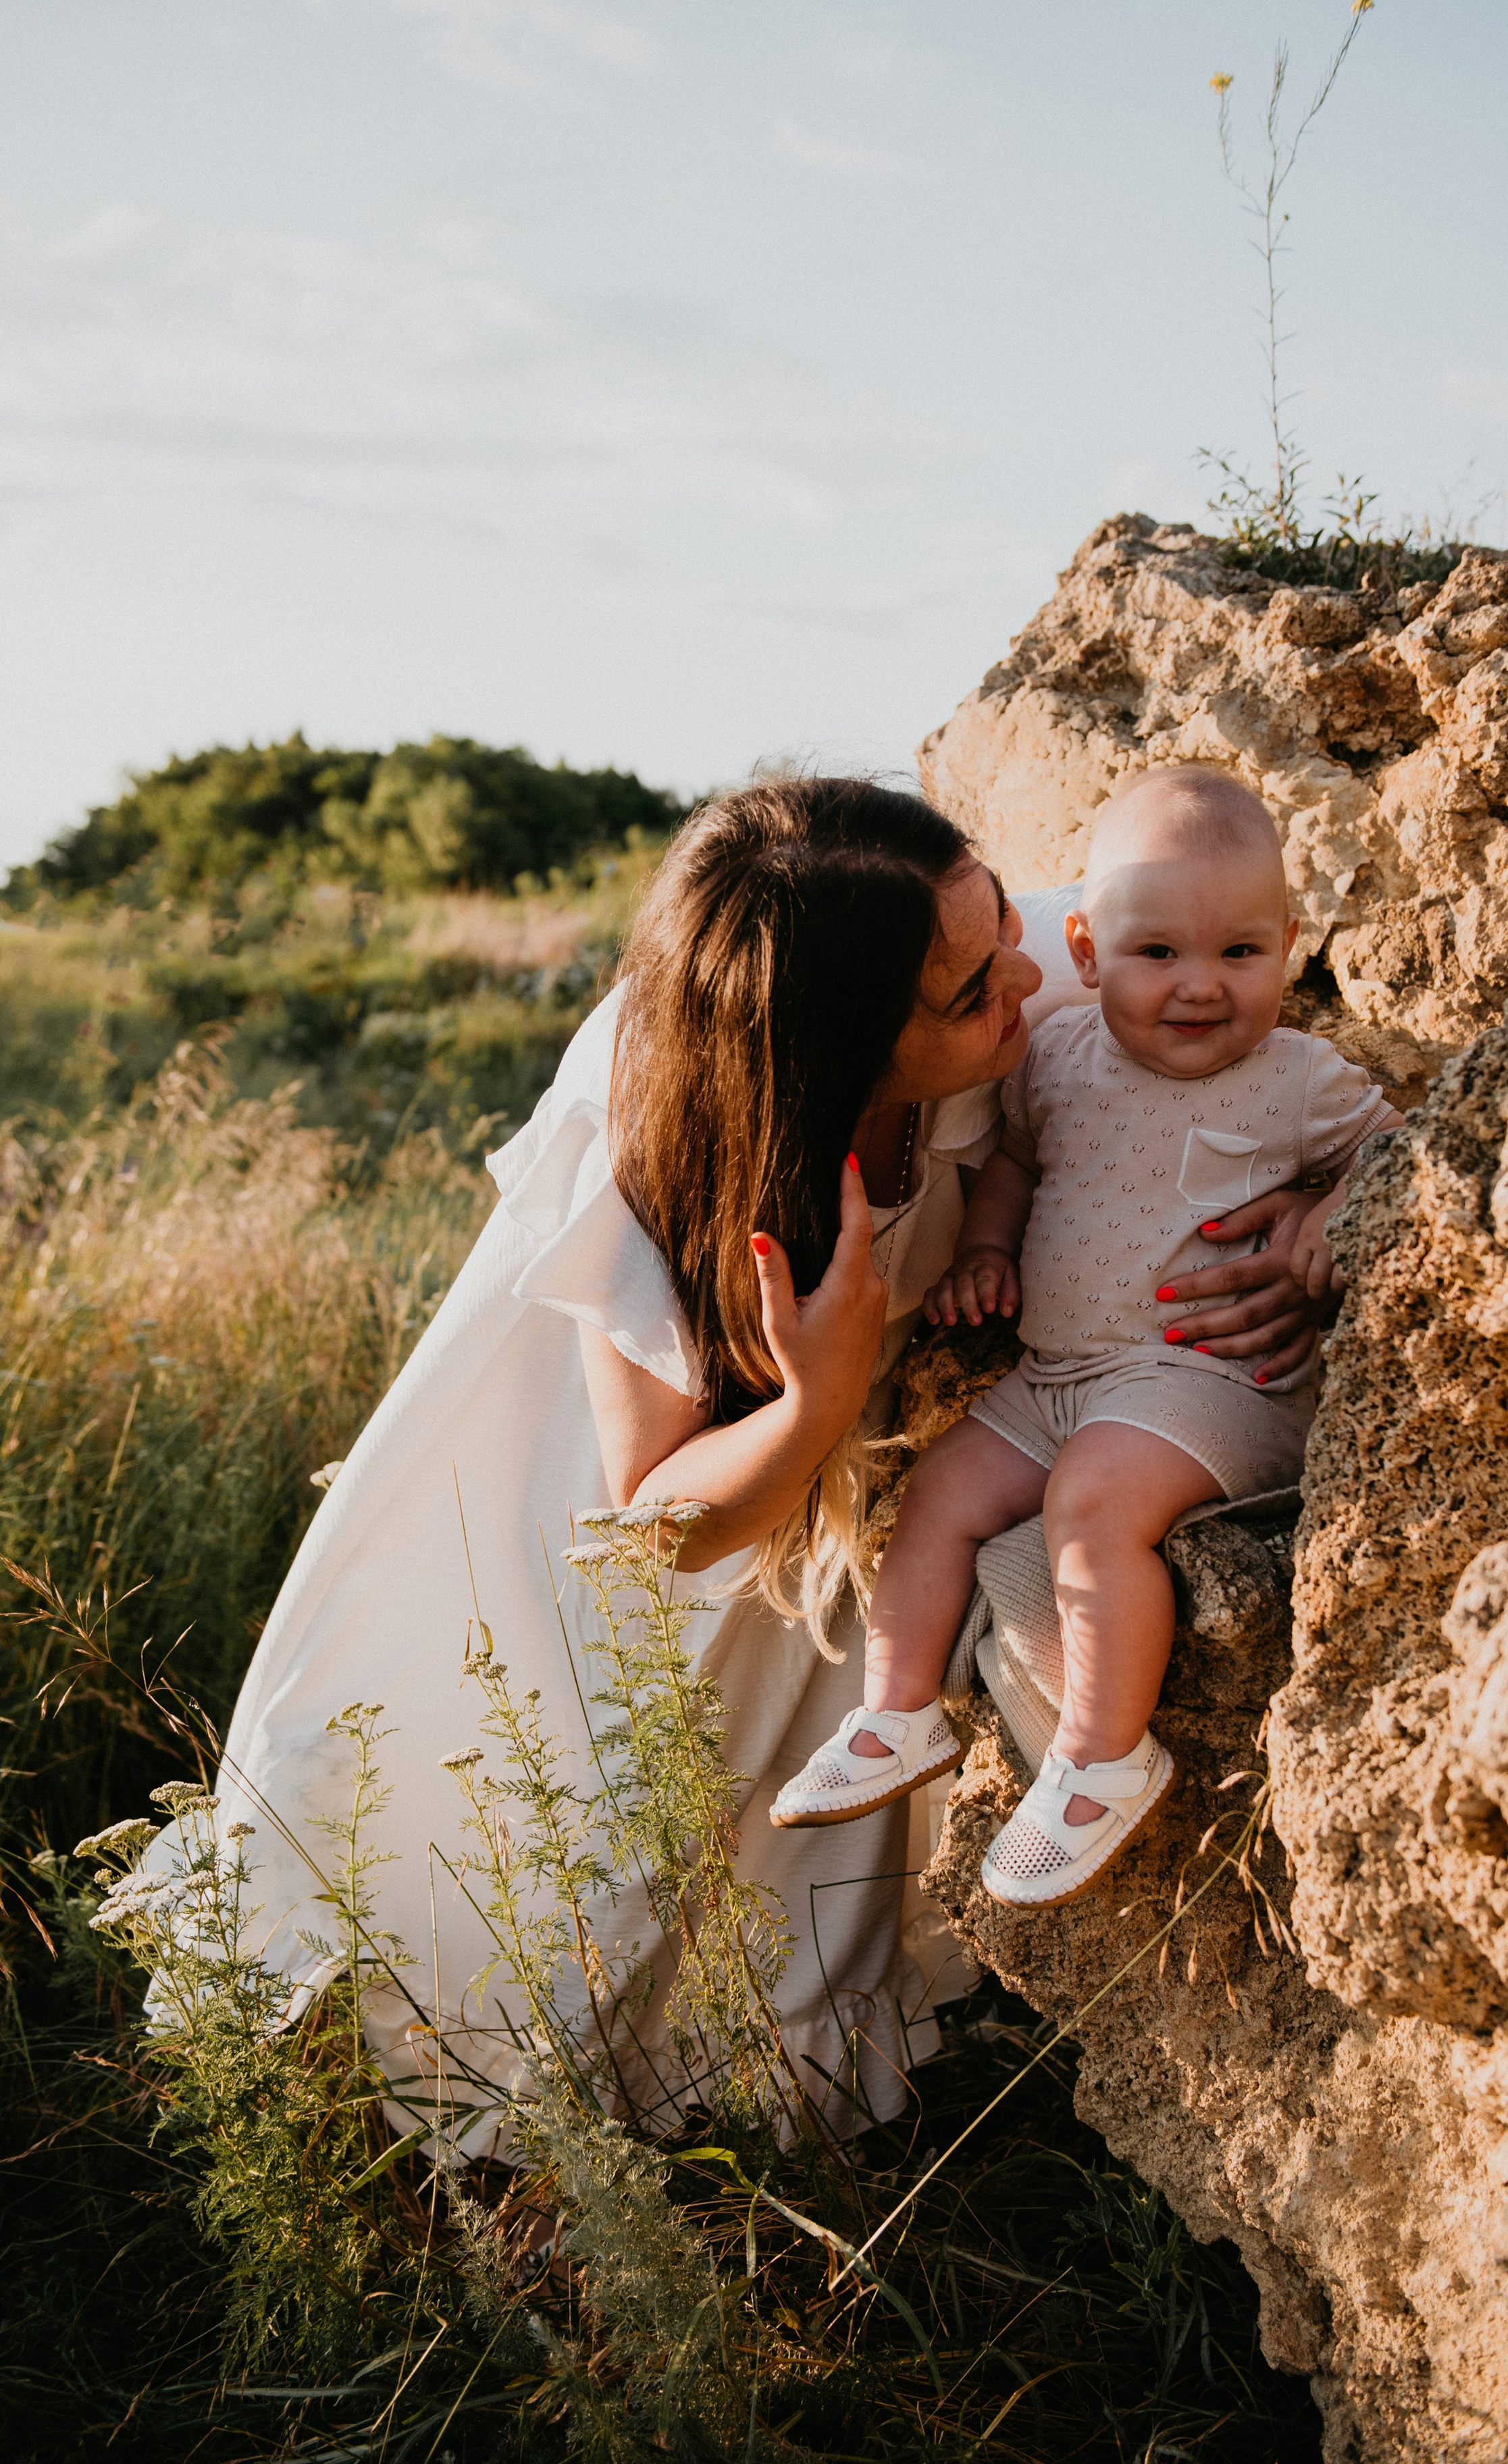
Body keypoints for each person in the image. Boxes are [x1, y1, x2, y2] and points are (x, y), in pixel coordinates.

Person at [159, 775, 1326, 2141]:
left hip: (835, 1499)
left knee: (784, 1849)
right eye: (966, 989)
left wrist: (1302, 1200)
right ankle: (505, 2162)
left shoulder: (1043, 968)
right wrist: (816, 1396)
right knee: (551, 1843)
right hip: (624, 1500)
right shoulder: (656, 1139)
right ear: (841, 1057)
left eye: (1003, 916)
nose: (1023, 968)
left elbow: (1228, 1018)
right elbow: (659, 1520)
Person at [771, 766, 1399, 1912]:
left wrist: (1322, 1209)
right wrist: (989, 1256)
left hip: (1208, 1384)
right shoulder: (1055, 1055)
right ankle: (896, 1713)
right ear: (1086, 946)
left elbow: (1398, 1152)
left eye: (1241, 954)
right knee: (945, 1490)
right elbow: (1013, 1166)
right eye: (1158, 953)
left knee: (1093, 1506)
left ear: (1291, 945)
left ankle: (1102, 1760)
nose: (1200, 987)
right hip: (1058, 1373)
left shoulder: (1300, 1081)